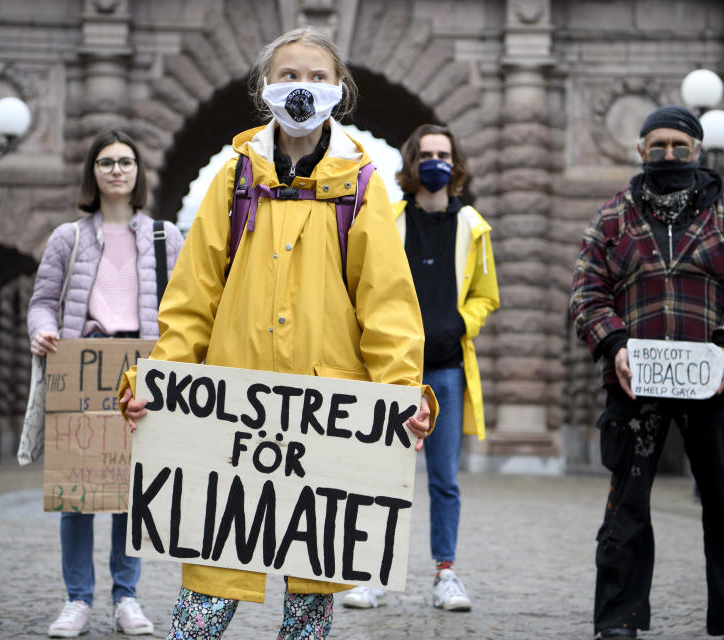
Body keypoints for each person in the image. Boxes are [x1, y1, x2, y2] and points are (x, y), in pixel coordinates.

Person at [116, 26, 436, 640]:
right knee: (207, 591)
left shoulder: (362, 187)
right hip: (228, 417)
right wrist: (156, 379)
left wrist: (401, 393)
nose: (303, 88)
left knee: (310, 594)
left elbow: (387, 306)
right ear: (266, 89)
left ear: (339, 91)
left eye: (317, 77)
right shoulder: (234, 180)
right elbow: (190, 300)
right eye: (290, 75)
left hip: (323, 418)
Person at [569, 105, 724, 640]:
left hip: (712, 385)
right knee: (627, 510)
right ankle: (618, 618)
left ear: (698, 151)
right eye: (658, 146)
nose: (669, 155)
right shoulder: (612, 218)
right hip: (633, 385)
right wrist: (613, 343)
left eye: (680, 146)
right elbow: (585, 293)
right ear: (641, 152)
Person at [27, 128, 184, 638]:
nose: (116, 170)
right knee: (77, 492)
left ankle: (127, 597)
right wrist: (43, 330)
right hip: (81, 365)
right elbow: (43, 301)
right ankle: (77, 599)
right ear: (92, 173)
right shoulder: (66, 238)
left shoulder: (165, 237)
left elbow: (182, 309)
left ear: (139, 173)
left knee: (130, 490)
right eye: (106, 162)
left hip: (141, 369)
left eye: (125, 162)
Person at [342, 124, 499, 612]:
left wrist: (460, 323)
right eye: (427, 154)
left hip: (448, 371)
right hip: (395, 374)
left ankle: (445, 574)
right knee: (384, 475)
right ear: (412, 163)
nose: (436, 162)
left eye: (444, 154)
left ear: (456, 165)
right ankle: (370, 573)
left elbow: (487, 296)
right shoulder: (389, 220)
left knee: (444, 479)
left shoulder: (474, 227)